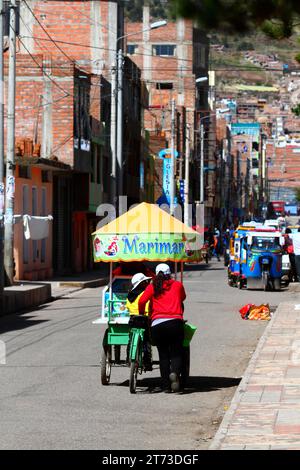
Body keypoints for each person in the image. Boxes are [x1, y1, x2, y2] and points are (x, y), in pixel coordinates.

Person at [138, 263, 186, 393]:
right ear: (169, 273)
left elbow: (142, 301)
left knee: (163, 355)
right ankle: (175, 373)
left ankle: (166, 386)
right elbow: (183, 298)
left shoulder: (152, 286)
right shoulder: (177, 285)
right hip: (176, 323)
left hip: (157, 325)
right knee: (176, 352)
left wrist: (142, 312)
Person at [126, 273, 152, 370]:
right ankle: (147, 361)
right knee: (146, 340)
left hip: (133, 319)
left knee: (130, 339)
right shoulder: (144, 293)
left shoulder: (129, 295)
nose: (146, 283)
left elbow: (128, 307)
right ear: (141, 283)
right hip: (144, 319)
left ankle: (128, 358)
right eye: (145, 281)